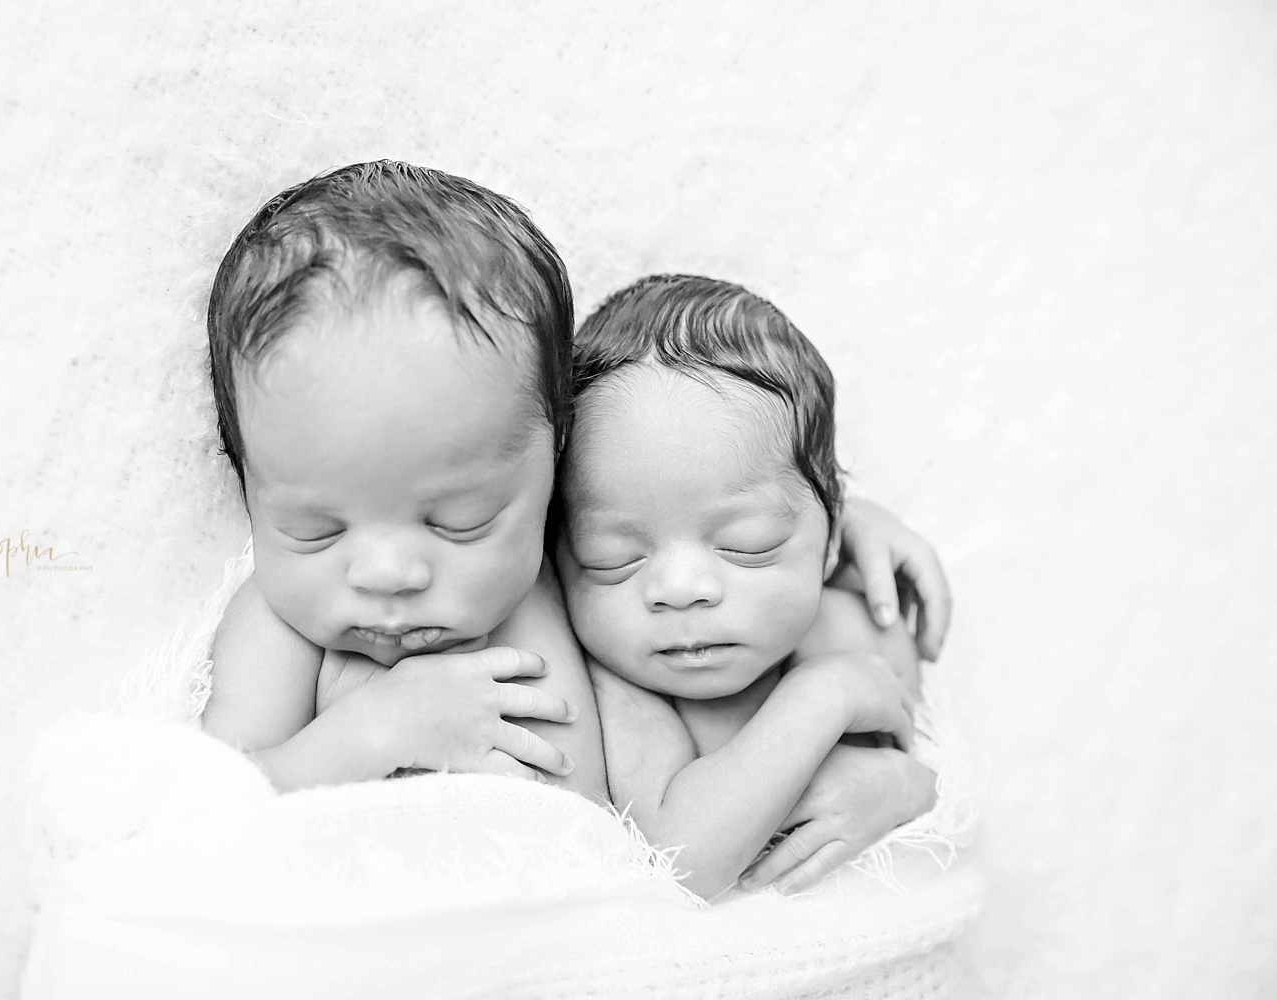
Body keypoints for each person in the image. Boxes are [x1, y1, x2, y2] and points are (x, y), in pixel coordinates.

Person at [199, 161, 952, 828]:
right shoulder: (282, 628)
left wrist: (842, 526)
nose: (389, 573)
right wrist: (374, 731)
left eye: (460, 520)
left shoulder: (568, 572)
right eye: (314, 530)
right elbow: (202, 803)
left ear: (554, 474)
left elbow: (676, 489)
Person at [556, 274, 939, 899]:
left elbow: (918, 762)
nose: (679, 590)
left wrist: (900, 787)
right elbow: (683, 859)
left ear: (832, 541)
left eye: (748, 543)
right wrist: (824, 696)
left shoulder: (851, 625)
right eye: (613, 556)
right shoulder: (619, 689)